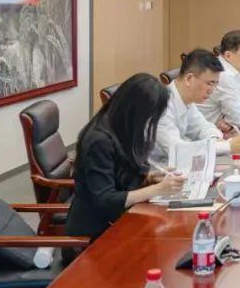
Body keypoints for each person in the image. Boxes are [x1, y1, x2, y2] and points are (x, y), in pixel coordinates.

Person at [66, 74, 184, 241]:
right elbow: (105, 199)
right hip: (95, 234)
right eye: (149, 117)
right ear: (135, 111)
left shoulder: (121, 128)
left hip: (121, 219)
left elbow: (120, 175)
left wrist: (149, 178)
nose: (149, 123)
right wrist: (158, 189)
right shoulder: (98, 141)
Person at [150, 49, 240, 168]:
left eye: (216, 84)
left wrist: (215, 139)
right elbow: (178, 150)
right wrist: (227, 146)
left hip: (179, 164)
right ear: (189, 79)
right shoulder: (162, 105)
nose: (212, 90)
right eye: (210, 83)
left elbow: (202, 126)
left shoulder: (186, 99)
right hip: (157, 171)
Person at [199, 29, 240, 130]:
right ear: (228, 56)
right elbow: (238, 118)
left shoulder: (239, 70)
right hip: (202, 133)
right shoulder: (223, 75)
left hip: (218, 130)